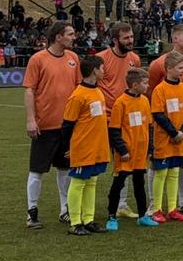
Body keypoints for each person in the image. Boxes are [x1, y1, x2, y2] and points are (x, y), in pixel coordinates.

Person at [23, 21, 81, 229]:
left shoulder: (73, 58)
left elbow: (78, 90)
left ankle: (65, 209)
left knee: (65, 169)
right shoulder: (38, 59)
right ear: (58, 37)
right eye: (70, 34)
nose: (74, 37)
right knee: (37, 170)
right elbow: (29, 90)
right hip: (45, 124)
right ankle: (32, 211)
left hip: (67, 125)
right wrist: (31, 119)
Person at [147, 23, 183, 213]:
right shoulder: (158, 63)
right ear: (175, 38)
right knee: (157, 163)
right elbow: (150, 90)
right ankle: (154, 204)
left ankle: (182, 200)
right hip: (163, 125)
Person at [60, 56, 110, 236]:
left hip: (97, 147)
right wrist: (67, 147)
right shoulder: (78, 95)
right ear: (94, 70)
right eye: (102, 68)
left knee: (91, 182)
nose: (104, 71)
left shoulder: (98, 91)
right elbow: (67, 124)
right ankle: (75, 222)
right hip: (83, 147)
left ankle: (88, 219)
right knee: (79, 182)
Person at [106, 68, 157, 230]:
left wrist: (150, 147)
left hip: (140, 153)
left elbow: (149, 126)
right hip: (126, 154)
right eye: (145, 83)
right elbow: (114, 130)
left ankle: (142, 216)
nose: (148, 86)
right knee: (118, 184)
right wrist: (122, 150)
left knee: (139, 184)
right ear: (135, 85)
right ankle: (112, 217)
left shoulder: (144, 101)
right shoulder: (121, 103)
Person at [150, 52, 183, 223]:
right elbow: (158, 114)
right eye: (180, 68)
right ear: (168, 68)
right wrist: (174, 133)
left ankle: (172, 209)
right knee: (161, 174)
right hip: (164, 139)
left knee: (174, 172)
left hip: (180, 139)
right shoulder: (160, 89)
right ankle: (156, 209)